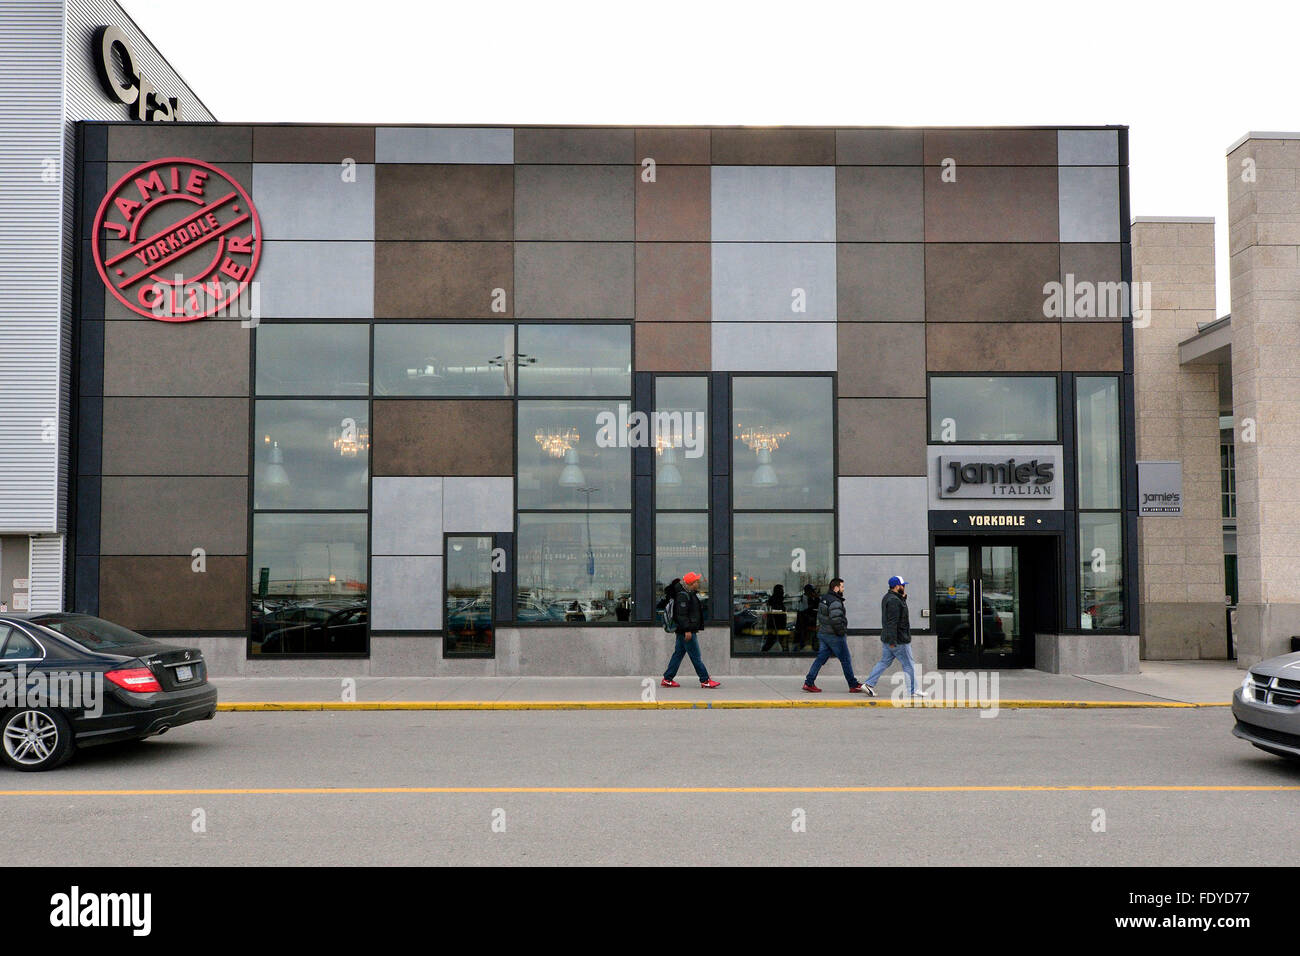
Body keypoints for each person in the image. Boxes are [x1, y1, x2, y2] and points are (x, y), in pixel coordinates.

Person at [863, 575, 926, 699]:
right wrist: (893, 641)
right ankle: (912, 690)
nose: (904, 587)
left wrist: (903, 599)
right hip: (898, 639)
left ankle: (868, 684)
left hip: (889, 638)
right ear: (897, 586)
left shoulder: (890, 598)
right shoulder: (894, 601)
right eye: (903, 585)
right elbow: (893, 622)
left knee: (884, 662)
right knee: (909, 664)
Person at [802, 577, 868, 693]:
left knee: (820, 658)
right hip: (834, 635)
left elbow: (821, 617)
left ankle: (808, 682)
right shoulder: (835, 602)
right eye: (842, 587)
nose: (843, 589)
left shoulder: (824, 598)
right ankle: (853, 685)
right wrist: (841, 633)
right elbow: (836, 619)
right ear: (836, 588)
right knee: (845, 659)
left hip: (823, 633)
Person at [661, 572, 721, 689]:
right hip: (686, 631)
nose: (698, 583)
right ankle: (705, 680)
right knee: (696, 656)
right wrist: (687, 630)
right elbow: (681, 615)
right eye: (696, 581)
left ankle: (667, 679)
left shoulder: (688, 593)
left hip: (684, 631)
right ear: (691, 583)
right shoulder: (683, 595)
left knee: (678, 655)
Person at [761, 584, 787, 652]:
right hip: (776, 626)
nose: (783, 592)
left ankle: (762, 654)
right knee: (771, 642)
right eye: (782, 590)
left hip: (778, 626)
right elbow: (775, 614)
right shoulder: (775, 601)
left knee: (772, 642)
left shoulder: (777, 600)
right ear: (778, 591)